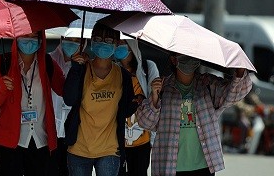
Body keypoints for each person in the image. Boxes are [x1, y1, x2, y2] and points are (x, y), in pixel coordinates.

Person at [137, 53, 252, 176]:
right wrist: (154, 97)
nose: (189, 59)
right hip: (170, 166)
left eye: (191, 55)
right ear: (173, 60)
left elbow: (233, 95)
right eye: (184, 56)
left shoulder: (208, 83)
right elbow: (145, 123)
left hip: (204, 165)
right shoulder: (163, 87)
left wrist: (240, 71)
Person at [0, 31, 66, 176]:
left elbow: (64, 91)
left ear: (41, 39)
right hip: (8, 142)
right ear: (16, 37)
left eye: (34, 36)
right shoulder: (1, 63)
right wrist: (3, 89)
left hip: (41, 140)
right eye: (24, 35)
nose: (29, 41)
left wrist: (78, 66)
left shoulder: (47, 63)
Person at [63, 23, 138, 176]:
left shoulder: (122, 75)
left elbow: (125, 109)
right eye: (98, 39)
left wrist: (137, 102)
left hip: (109, 149)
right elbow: (69, 99)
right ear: (91, 41)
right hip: (79, 148)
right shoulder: (81, 69)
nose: (103, 43)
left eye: (109, 40)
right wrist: (76, 68)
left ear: (117, 44)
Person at [114, 38, 159, 176]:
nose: (119, 46)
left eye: (123, 43)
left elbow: (155, 103)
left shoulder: (147, 67)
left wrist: (153, 139)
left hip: (142, 142)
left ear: (131, 45)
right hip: (115, 141)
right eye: (116, 43)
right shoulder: (112, 70)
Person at [48, 36, 88, 176]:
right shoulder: (48, 61)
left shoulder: (87, 67)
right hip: (48, 130)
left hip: (74, 131)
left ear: (83, 43)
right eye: (69, 39)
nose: (72, 43)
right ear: (61, 38)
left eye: (77, 40)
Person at [234, 89, 274, 154]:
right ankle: (241, 145)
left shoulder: (250, 93)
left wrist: (266, 107)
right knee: (245, 125)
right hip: (242, 115)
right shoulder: (239, 92)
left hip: (253, 116)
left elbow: (257, 102)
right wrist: (252, 109)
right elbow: (239, 105)